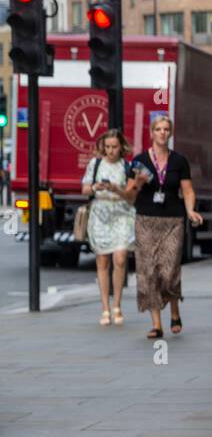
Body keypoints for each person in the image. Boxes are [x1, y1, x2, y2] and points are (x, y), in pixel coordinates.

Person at [131, 116, 203, 339]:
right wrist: (138, 183)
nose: (162, 133)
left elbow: (188, 190)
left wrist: (190, 209)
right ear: (151, 133)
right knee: (149, 270)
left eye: (166, 129)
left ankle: (174, 310)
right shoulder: (139, 161)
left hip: (173, 220)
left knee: (169, 269)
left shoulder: (179, 161)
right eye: (158, 129)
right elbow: (130, 193)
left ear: (170, 134)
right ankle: (156, 324)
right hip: (146, 220)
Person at [80, 129, 137, 327]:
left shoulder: (128, 166)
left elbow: (132, 196)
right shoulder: (95, 164)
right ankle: (105, 307)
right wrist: (96, 187)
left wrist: (116, 189)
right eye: (107, 147)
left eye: (114, 147)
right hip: (100, 215)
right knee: (103, 261)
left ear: (121, 147)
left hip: (122, 214)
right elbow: (84, 188)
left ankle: (117, 305)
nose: (111, 151)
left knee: (120, 258)